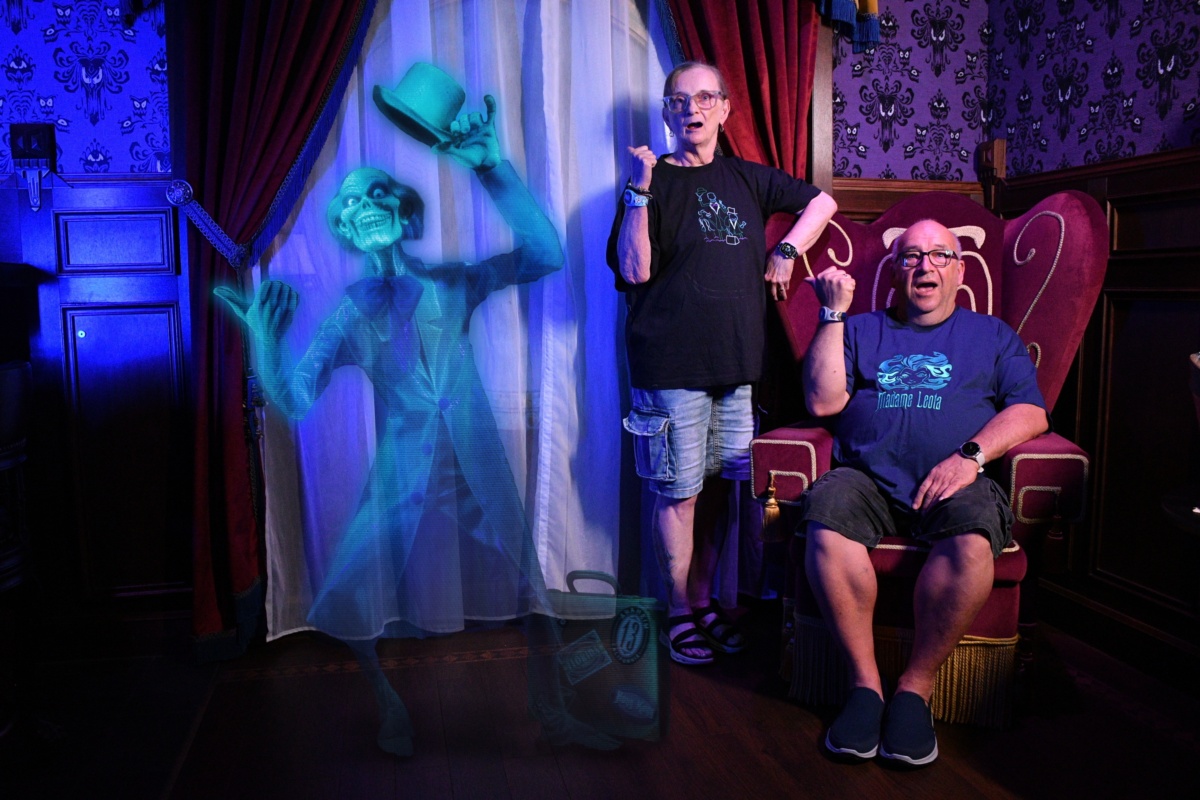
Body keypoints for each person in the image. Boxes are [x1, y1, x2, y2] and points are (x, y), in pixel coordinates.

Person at [216, 70, 584, 756]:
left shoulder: (453, 283)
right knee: (350, 593)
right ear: (345, 230)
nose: (363, 206)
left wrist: (491, 167)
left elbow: (546, 254)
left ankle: (554, 713)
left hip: (477, 467)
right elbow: (294, 399)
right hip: (402, 475)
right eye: (350, 203)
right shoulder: (349, 314)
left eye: (376, 193)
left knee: (533, 592)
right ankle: (388, 705)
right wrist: (264, 342)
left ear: (406, 215)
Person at [607, 61, 837, 666]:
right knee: (679, 494)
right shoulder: (649, 181)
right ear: (666, 112)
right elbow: (634, 271)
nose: (693, 109)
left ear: (725, 109)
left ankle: (705, 600)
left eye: (706, 97)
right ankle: (679, 613)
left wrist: (786, 249)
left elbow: (823, 202)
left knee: (719, 493)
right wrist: (639, 189)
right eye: (679, 100)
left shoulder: (747, 177)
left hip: (737, 368)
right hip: (670, 368)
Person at [800, 219, 1050, 766]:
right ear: (895, 272)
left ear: (960, 271)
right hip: (865, 478)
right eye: (911, 256)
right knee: (826, 517)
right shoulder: (860, 329)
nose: (924, 266)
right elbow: (822, 402)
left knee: (973, 541)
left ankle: (916, 687)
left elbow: (1031, 412)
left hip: (956, 482)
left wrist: (970, 457)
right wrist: (832, 313)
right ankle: (865, 687)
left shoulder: (992, 335)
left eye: (940, 255)